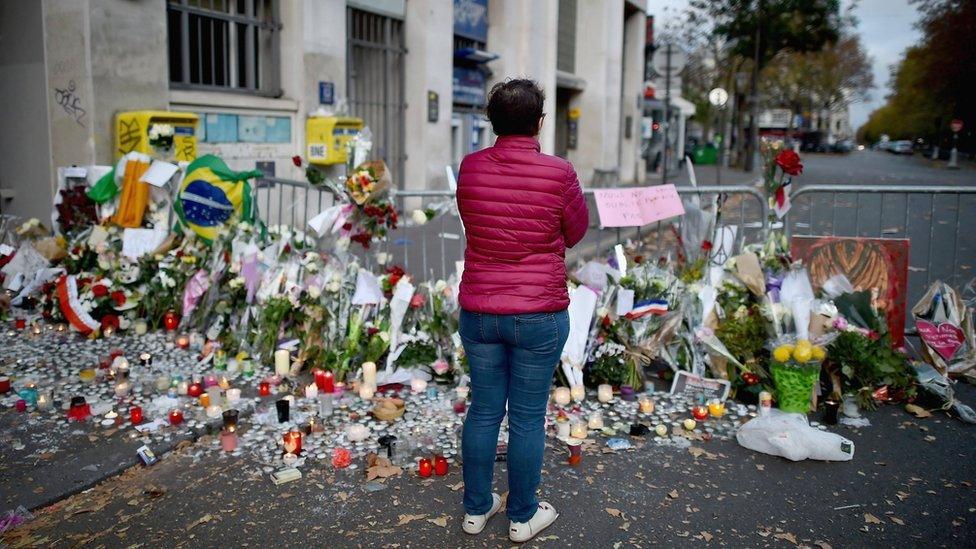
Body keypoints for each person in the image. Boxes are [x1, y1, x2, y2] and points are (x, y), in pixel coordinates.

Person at [455, 78, 589, 543]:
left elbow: (477, 223)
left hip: (480, 309)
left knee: (484, 410)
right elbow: (575, 232)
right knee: (528, 417)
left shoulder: (469, 168)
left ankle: (476, 510)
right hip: (539, 313)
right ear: (539, 122)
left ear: (492, 121)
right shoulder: (559, 173)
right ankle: (522, 516)